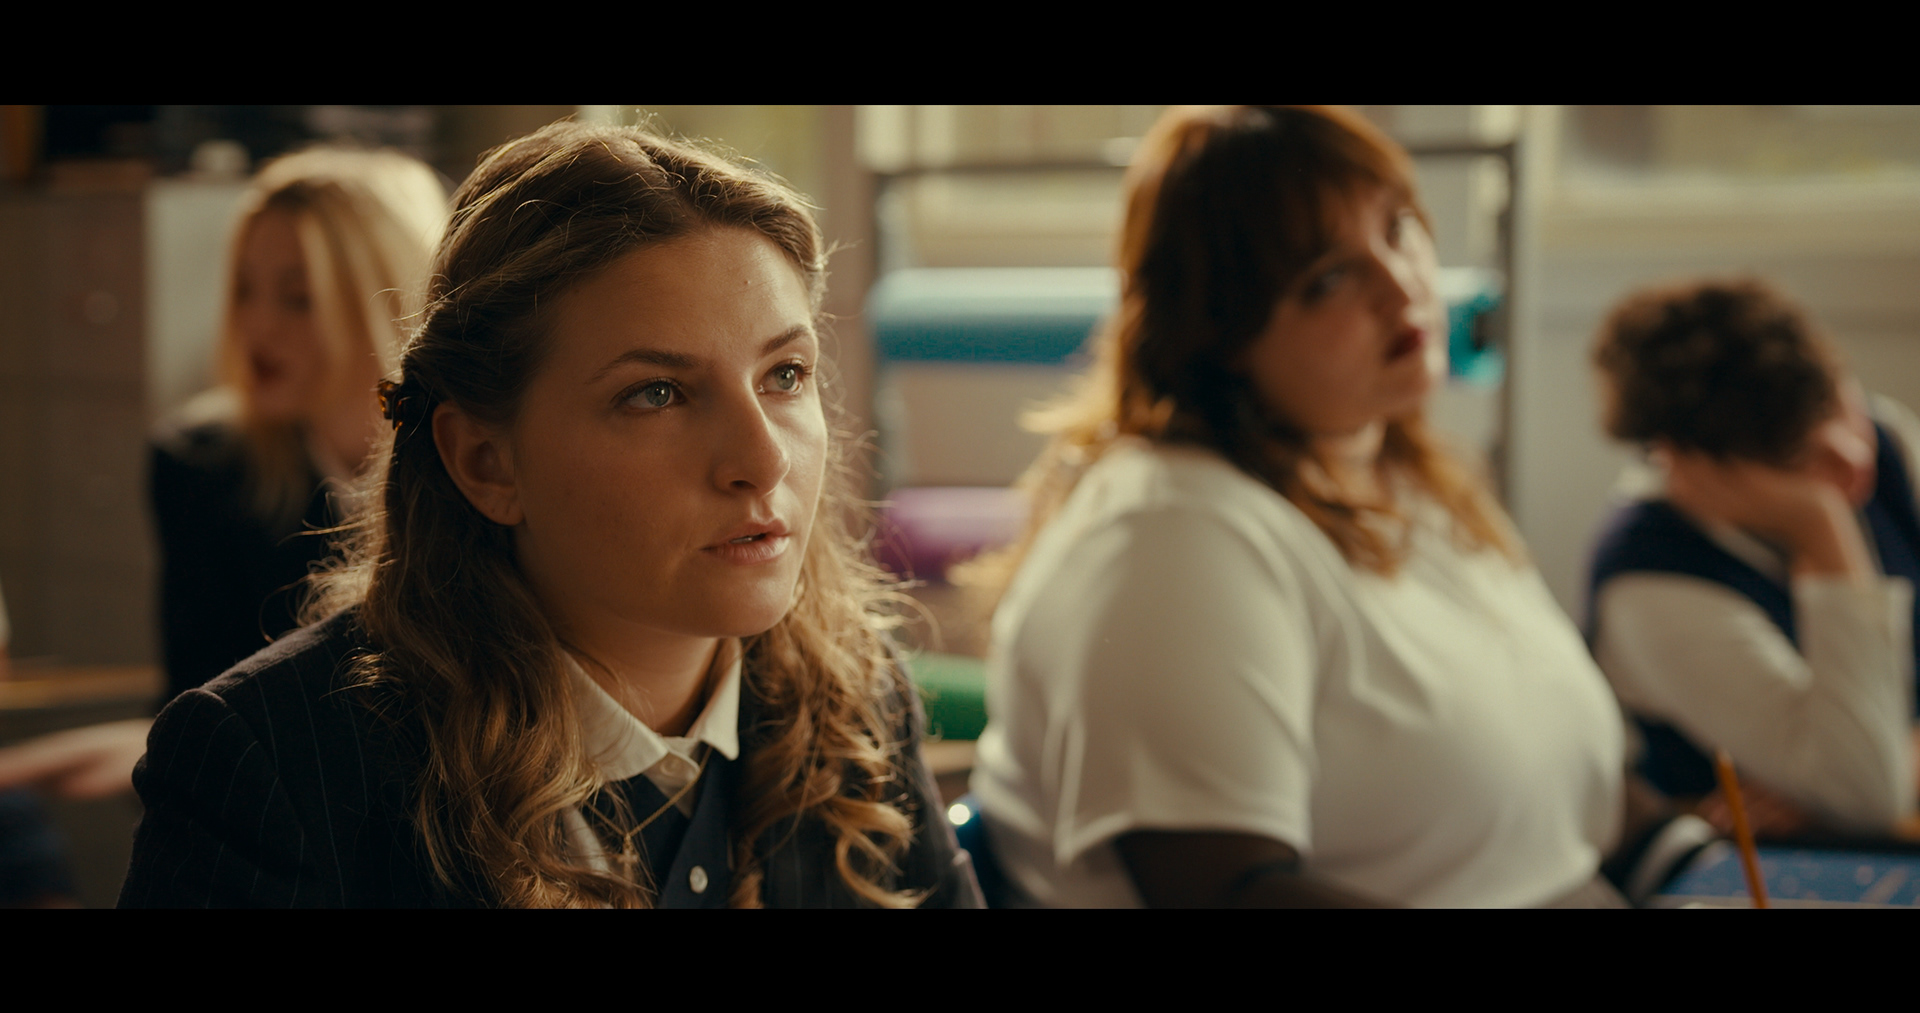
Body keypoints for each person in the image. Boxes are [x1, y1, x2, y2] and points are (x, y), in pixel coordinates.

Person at [117, 122, 983, 908]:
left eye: (784, 375)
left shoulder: (857, 699)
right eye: (657, 393)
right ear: (486, 462)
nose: (764, 459)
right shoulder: (277, 767)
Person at [966, 105, 1630, 908]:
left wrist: (1692, 853)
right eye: (1328, 278)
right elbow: (1224, 892)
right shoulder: (1172, 533)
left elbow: (1552, 781)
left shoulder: (1403, 477)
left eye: (1398, 228)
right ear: (1217, 331)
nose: (1402, 285)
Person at [0, 147, 447, 804]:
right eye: (243, 288)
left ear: (384, 300)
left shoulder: (465, 469)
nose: (255, 324)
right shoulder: (203, 468)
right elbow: (196, 705)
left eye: (298, 298)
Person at [1587, 278, 1920, 836]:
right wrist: (1825, 532)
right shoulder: (1651, 584)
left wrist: (1881, 768)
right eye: (1793, 453)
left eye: (1838, 402)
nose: (1850, 452)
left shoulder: (1889, 441)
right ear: (1687, 464)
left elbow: (1857, 793)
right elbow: (1868, 795)